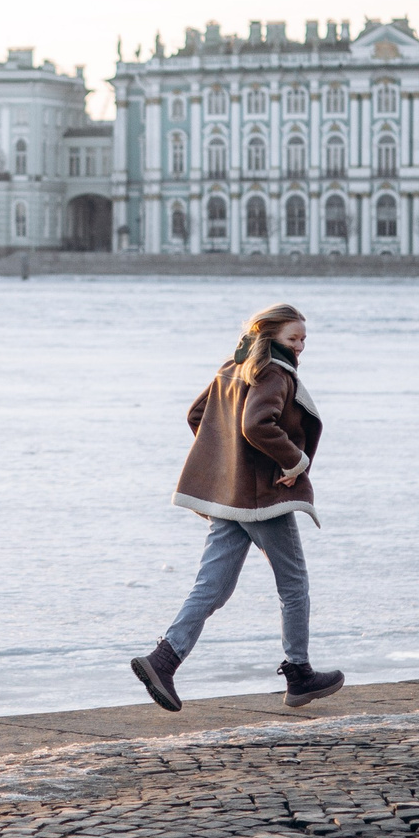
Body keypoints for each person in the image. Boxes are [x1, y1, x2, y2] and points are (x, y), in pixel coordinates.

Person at [131, 303, 345, 712]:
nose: (300, 347)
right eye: (292, 339)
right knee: (293, 585)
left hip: (230, 498)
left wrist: (229, 464)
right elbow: (255, 425)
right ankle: (299, 673)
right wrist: (291, 461)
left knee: (212, 586)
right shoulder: (274, 373)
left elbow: (199, 416)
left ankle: (164, 660)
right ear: (269, 336)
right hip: (262, 499)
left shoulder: (233, 366)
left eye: (303, 340)